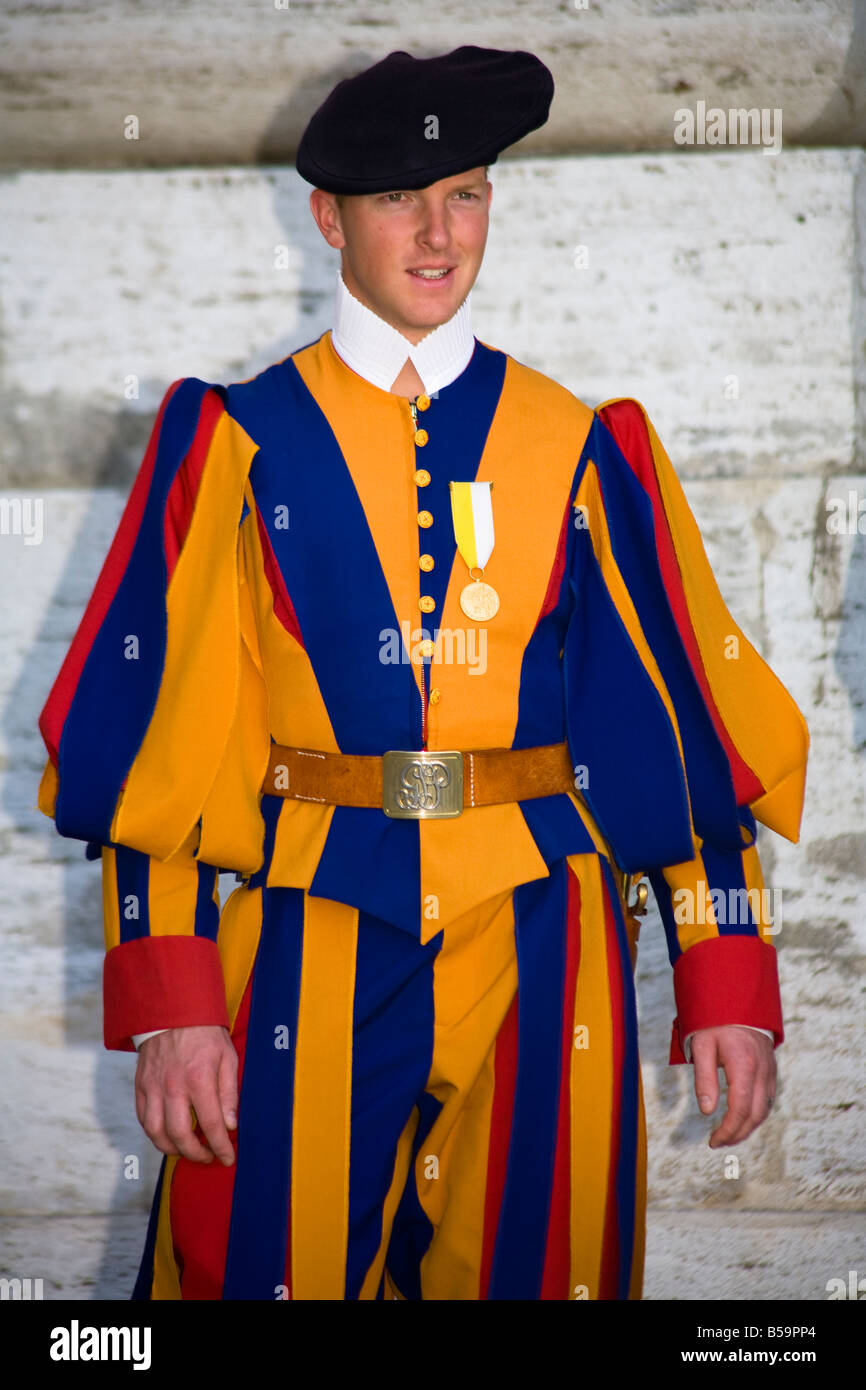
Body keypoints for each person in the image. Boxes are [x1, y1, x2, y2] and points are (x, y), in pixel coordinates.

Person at [36, 46, 809, 1301]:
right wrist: (174, 1002)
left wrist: (725, 976)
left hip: (545, 937)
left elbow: (675, 734)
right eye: (401, 199)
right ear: (327, 217)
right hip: (305, 925)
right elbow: (156, 745)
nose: (438, 231)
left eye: (465, 192)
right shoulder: (232, 443)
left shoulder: (582, 444)